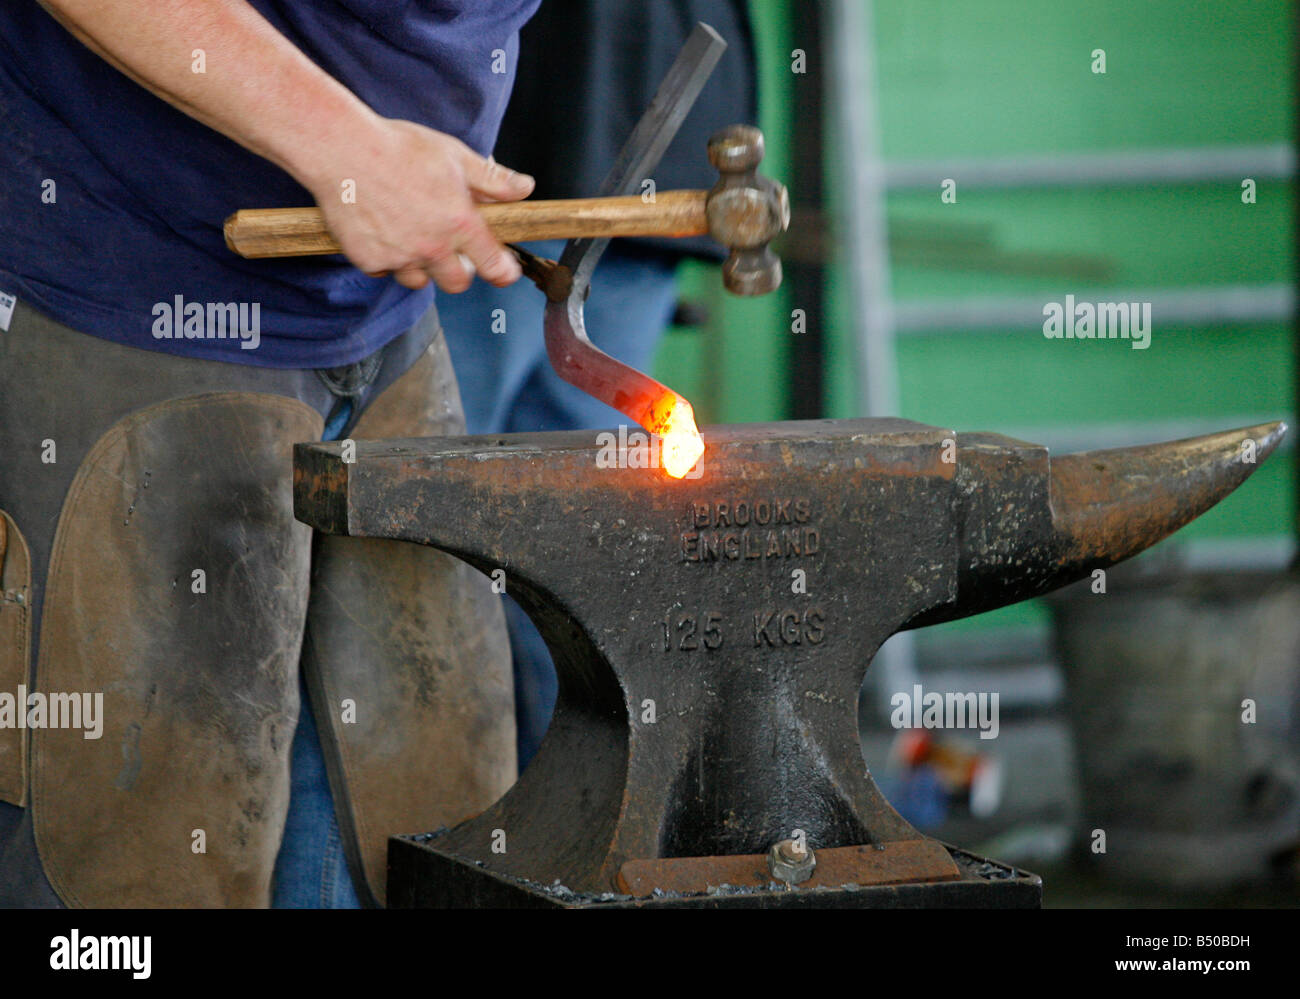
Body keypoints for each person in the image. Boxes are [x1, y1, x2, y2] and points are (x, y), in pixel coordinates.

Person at [0, 0, 540, 908]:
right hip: (134, 281)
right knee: (141, 873)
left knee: (432, 827)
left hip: (391, 312)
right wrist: (348, 148)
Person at [437, 0, 757, 766]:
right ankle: (516, 806)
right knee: (474, 524)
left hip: (609, 144)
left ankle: (576, 805)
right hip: (509, 155)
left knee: (556, 532)